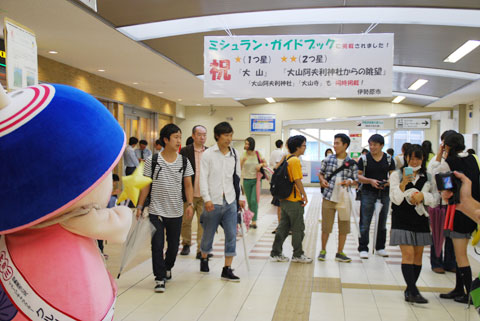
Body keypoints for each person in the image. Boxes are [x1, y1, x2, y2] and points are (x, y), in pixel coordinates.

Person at [136, 124, 194, 293]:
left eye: (180, 137)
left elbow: (188, 185)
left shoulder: (184, 161)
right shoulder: (152, 161)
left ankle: (168, 266)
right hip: (156, 211)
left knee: (174, 246)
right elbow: (145, 185)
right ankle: (159, 277)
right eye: (175, 137)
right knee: (157, 245)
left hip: (176, 211)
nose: (178, 140)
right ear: (166, 140)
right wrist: (140, 205)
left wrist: (190, 204)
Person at [433, 133, 479, 304]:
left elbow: (438, 179)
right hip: (473, 211)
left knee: (461, 256)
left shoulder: (449, 162)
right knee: (460, 254)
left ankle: (470, 294)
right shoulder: (474, 159)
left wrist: (441, 156)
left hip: (457, 212)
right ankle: (459, 289)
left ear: (447, 146)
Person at [389, 144, 438, 303]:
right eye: (411, 157)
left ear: (423, 158)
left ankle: (410, 290)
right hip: (401, 218)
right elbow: (395, 199)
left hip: (420, 219)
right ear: (406, 158)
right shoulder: (396, 175)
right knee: (408, 254)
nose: (414, 161)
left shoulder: (429, 177)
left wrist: (423, 196)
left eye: (418, 157)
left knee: (418, 256)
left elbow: (436, 199)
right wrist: (403, 183)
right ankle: (414, 291)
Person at [199, 122, 245, 281]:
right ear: (217, 136)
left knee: (232, 234)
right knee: (208, 234)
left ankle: (227, 268)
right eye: (226, 135)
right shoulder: (208, 154)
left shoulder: (235, 154)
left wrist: (240, 198)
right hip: (214, 201)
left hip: (231, 200)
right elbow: (203, 178)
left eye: (231, 135)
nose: (229, 139)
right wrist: (207, 199)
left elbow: (237, 178)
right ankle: (204, 256)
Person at [270, 135, 312, 263]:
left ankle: (276, 252)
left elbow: (275, 169)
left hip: (284, 199)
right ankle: (298, 254)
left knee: (283, 227)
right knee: (298, 228)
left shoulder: (287, 158)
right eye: (304, 145)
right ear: (298, 147)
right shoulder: (295, 161)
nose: (305, 147)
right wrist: (304, 195)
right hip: (293, 200)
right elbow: (297, 180)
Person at [318, 134, 358, 263]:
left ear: (345, 145)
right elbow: (321, 173)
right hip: (328, 197)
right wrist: (322, 180)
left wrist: (350, 181)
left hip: (344, 198)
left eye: (337, 143)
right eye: (334, 143)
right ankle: (323, 250)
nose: (334, 146)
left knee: (344, 226)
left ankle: (340, 252)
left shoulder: (352, 162)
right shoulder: (328, 159)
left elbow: (356, 180)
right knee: (326, 226)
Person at [357, 134, 395, 259]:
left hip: (384, 193)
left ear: (382, 146)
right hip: (368, 192)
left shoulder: (389, 159)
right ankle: (363, 248)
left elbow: (393, 175)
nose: (372, 147)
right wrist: (370, 181)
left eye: (375, 145)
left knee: (382, 222)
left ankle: (380, 247)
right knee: (365, 221)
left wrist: (388, 182)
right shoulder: (364, 159)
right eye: (370, 144)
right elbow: (358, 176)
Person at [427, 130, 457, 274]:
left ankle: (450, 262)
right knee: (438, 234)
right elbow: (432, 175)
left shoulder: (457, 159)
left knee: (451, 235)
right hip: (438, 202)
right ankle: (436, 262)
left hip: (453, 203)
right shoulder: (436, 160)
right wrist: (440, 154)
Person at [179, 125, 210, 259]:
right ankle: (186, 243)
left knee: (203, 222)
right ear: (193, 136)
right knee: (186, 221)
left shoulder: (210, 152)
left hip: (204, 193)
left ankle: (200, 249)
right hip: (188, 193)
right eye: (199, 134)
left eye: (204, 135)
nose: (202, 137)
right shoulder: (185, 151)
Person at [241, 137, 267, 229]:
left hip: (256, 180)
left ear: (251, 144)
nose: (246, 145)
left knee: (254, 200)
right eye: (245, 143)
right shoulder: (243, 154)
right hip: (246, 180)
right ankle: (250, 218)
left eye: (247, 144)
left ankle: (254, 221)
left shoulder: (257, 153)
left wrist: (260, 164)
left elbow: (265, 163)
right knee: (249, 201)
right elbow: (239, 168)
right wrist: (242, 161)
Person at [98, 173, 121, 259]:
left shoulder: (107, 186)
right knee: (99, 236)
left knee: (100, 236)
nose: (114, 184)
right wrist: (113, 193)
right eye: (114, 182)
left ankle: (101, 251)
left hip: (103, 214)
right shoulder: (104, 186)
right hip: (101, 213)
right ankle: (100, 252)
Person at [270, 139, 287, 233]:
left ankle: (282, 226)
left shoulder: (273, 153)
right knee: (280, 205)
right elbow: (277, 165)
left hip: (277, 179)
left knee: (280, 206)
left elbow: (273, 165)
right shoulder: (282, 154)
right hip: (280, 180)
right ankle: (281, 226)